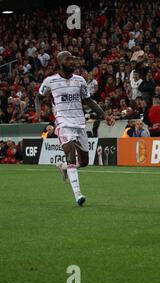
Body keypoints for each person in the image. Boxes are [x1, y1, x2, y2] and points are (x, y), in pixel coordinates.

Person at [35, 51, 115, 206]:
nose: (72, 62)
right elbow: (38, 98)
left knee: (84, 162)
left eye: (72, 59)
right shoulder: (50, 81)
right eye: (68, 59)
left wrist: (105, 116)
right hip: (63, 124)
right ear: (59, 62)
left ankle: (63, 167)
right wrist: (38, 112)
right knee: (70, 155)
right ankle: (78, 195)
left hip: (79, 124)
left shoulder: (80, 80)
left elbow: (89, 101)